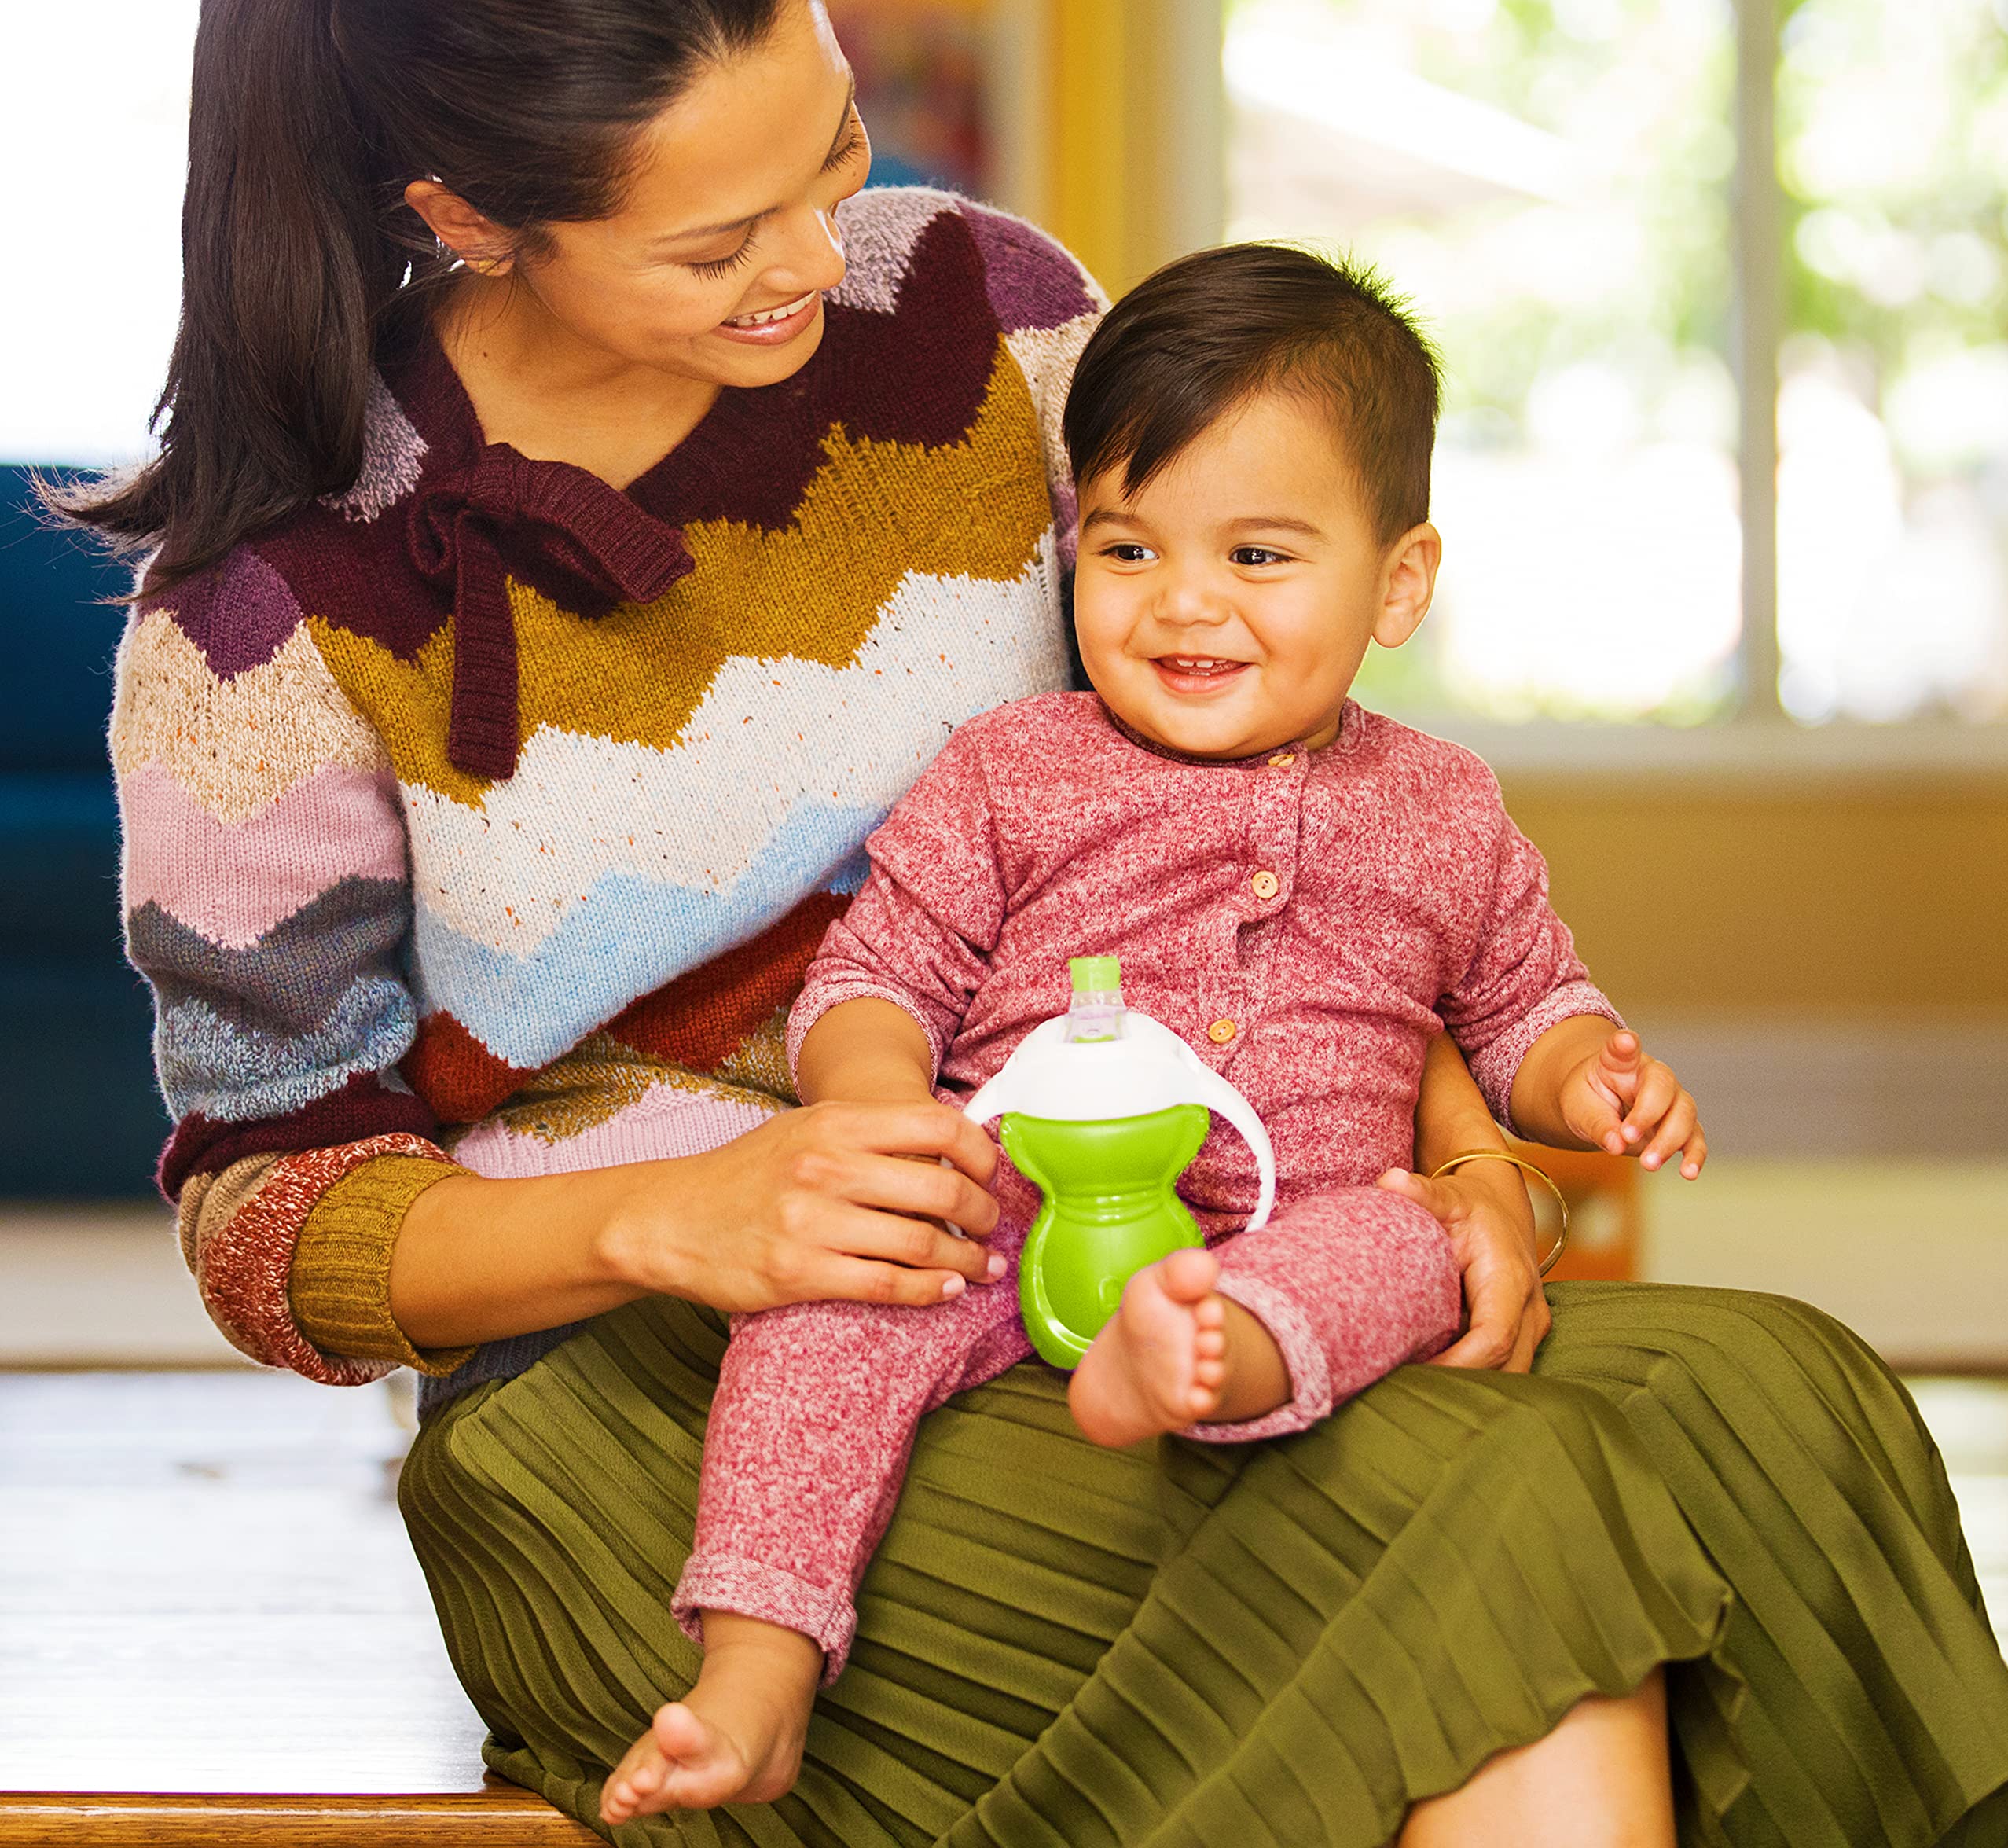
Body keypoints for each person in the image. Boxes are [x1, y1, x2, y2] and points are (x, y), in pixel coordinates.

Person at [67, 0, 2008, 1842]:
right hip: (653, 1394)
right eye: (715, 241)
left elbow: (1260, 805)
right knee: (1503, 1513)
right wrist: (678, 1215)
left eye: (830, 152)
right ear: (469, 217)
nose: (818, 262)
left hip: (1139, 1240)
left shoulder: (985, 321)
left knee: (1778, 1394)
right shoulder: (267, 614)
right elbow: (263, 1208)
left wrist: (1460, 1170)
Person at [604, 244, 1716, 1824]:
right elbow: (875, 974)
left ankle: (1206, 1354)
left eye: (1258, 554)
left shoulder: (1441, 807)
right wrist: (875, 1115)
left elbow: (1526, 996)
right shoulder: (1012, 768)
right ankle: (756, 1662)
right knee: (822, 1316)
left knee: (1415, 1248)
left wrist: (1586, 1073)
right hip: (1001, 1208)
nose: (1181, 602)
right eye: (1128, 548)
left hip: (1295, 1223)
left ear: (1395, 581)